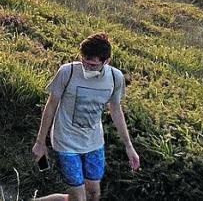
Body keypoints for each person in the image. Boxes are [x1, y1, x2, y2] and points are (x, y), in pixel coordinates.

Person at [32, 34, 139, 201]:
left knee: (93, 195)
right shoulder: (67, 72)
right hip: (65, 141)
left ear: (106, 61)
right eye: (84, 61)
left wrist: (129, 146)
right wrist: (40, 143)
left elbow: (116, 110)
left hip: (94, 142)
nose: (87, 67)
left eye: (92, 65)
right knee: (79, 199)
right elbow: (51, 105)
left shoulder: (115, 78)